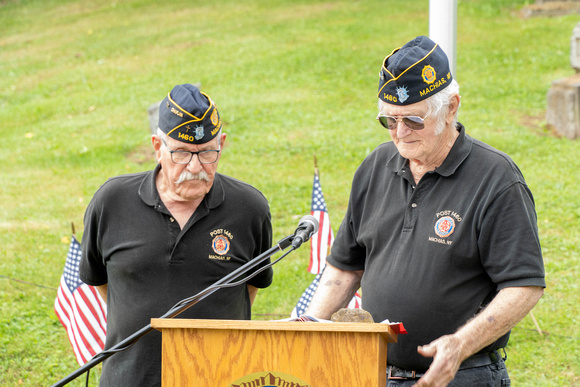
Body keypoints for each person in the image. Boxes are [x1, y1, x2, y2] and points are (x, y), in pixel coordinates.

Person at [304, 36, 545, 387]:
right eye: (390, 121)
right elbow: (344, 268)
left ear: (451, 108)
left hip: (464, 375)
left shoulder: (496, 179)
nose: (400, 133)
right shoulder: (375, 166)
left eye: (414, 120)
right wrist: (307, 328)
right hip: (375, 372)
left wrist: (460, 344)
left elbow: (524, 285)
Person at [79, 84, 274, 386]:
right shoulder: (111, 201)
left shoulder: (250, 208)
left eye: (208, 152)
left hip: (221, 378)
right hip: (129, 379)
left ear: (222, 143)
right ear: (157, 147)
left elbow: (248, 290)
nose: (195, 167)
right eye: (181, 153)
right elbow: (105, 283)